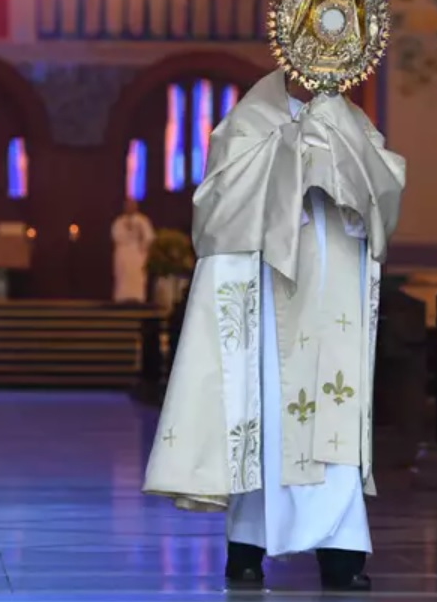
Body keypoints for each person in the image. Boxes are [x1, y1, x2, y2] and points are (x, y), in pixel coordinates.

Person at [142, 69, 406, 591]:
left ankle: (342, 550)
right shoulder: (250, 121)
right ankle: (247, 547)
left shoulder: (355, 124)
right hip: (273, 293)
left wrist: (343, 161)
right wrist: (290, 158)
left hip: (336, 303)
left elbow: (382, 198)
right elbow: (219, 208)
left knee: (335, 422)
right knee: (265, 420)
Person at [111, 199, 155, 303]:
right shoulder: (119, 221)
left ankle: (137, 297)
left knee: (137, 276)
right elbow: (116, 236)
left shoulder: (143, 221)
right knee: (123, 276)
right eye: (128, 206)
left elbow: (149, 237)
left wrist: (141, 241)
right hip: (124, 252)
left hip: (138, 252)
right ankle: (122, 298)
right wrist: (128, 235)